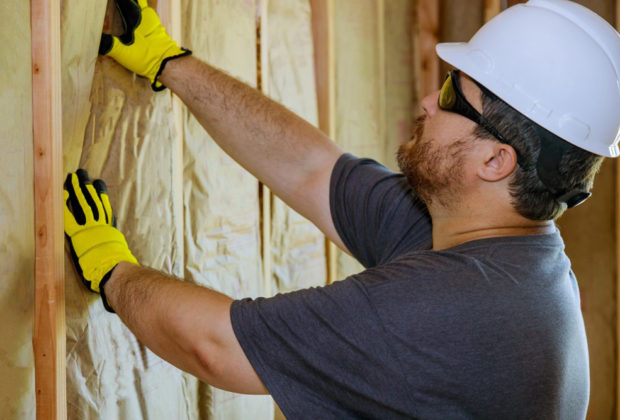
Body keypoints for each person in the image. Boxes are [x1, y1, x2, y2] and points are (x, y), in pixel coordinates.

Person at [63, 0, 620, 417]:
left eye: (452, 96)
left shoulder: (453, 310)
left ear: (496, 160)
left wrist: (112, 269)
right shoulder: (496, 249)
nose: (429, 100)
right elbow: (311, 169)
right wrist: (170, 62)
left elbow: (216, 346)